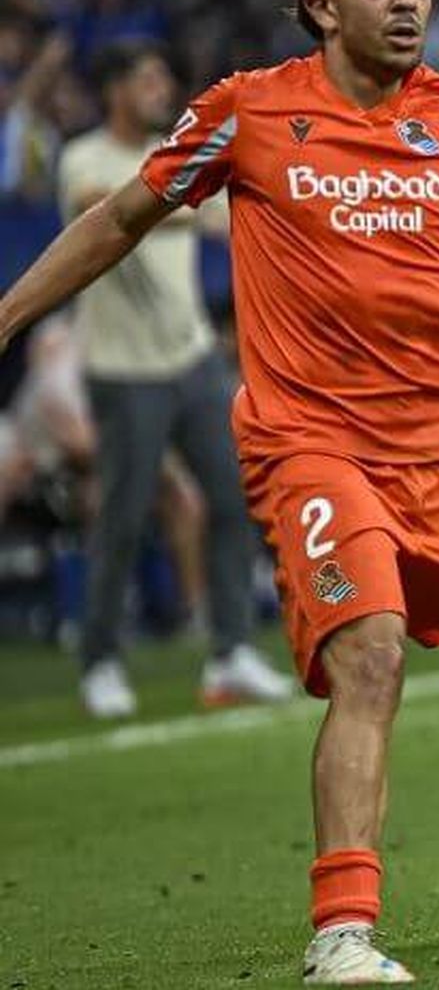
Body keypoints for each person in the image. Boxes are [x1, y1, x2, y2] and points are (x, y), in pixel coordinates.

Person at [0, 0, 439, 983]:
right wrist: (7, 317)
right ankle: (343, 931)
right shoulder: (248, 112)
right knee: (370, 657)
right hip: (313, 447)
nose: (407, 0)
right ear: (321, 7)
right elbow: (117, 220)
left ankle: (425, 591)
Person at [57, 39, 294, 719]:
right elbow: (104, 208)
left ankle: (232, 651)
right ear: (114, 90)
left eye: (164, 77)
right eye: (148, 79)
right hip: (123, 371)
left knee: (235, 497)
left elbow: (229, 213)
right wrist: (183, 203)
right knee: (124, 519)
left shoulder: (177, 153)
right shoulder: (85, 156)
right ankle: (101, 662)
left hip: (192, 361)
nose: (162, 89)